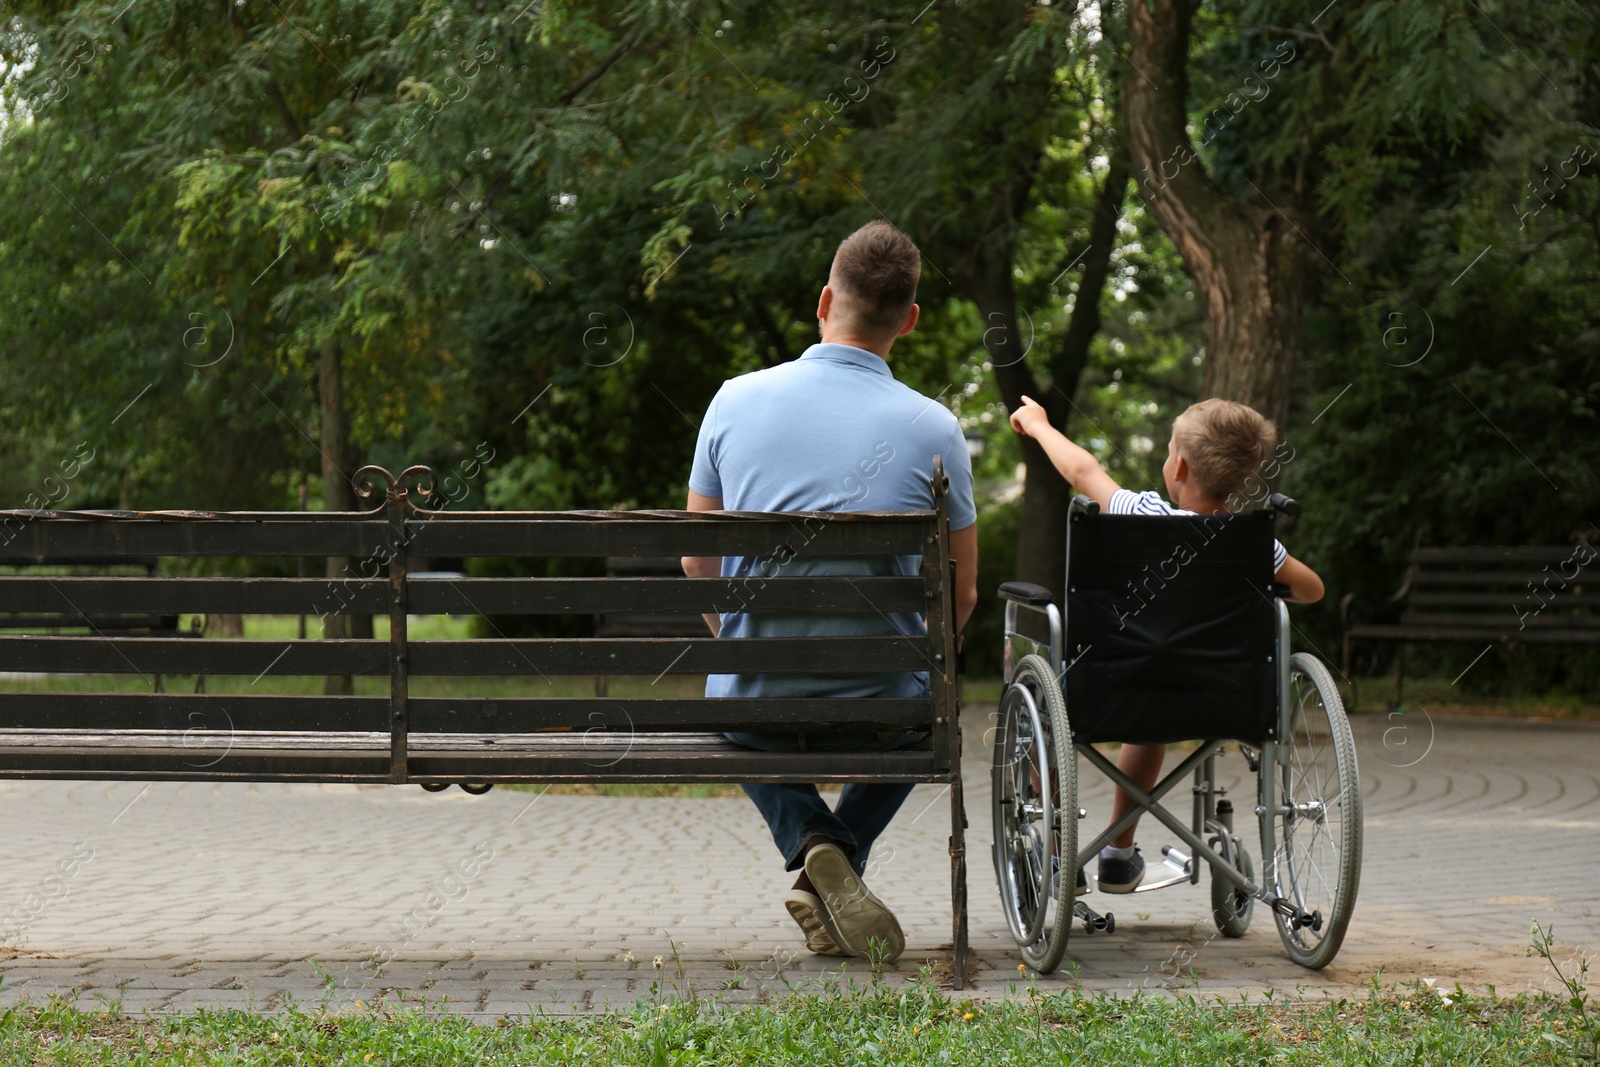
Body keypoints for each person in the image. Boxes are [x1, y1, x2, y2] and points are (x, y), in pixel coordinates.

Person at [681, 220, 978, 962]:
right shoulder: (935, 426)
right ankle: (832, 863)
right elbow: (962, 591)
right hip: (886, 705)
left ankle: (816, 842)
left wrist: (748, 649)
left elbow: (695, 561)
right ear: (909, 320)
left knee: (734, 707)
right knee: (926, 716)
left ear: (824, 300)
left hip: (760, 700)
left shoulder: (732, 400)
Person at [1008, 394, 1323, 892]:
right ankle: (1116, 853)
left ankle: (1053, 857)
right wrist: (1266, 582)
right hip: (1226, 697)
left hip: (1115, 690)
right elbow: (1312, 589)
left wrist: (1039, 425)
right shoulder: (1256, 544)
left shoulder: (1142, 512)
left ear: (1178, 465)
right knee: (1153, 711)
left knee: (1050, 702)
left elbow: (1082, 471)